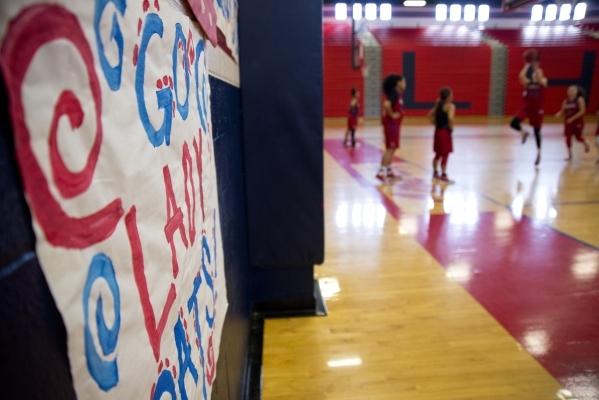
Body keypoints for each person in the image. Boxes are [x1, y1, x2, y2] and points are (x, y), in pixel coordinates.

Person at [509, 57, 548, 166]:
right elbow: (521, 77)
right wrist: (527, 65)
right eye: (535, 73)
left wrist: (536, 69)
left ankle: (539, 153)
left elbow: (541, 80)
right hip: (526, 107)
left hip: (537, 109)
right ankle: (524, 132)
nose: (536, 74)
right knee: (513, 123)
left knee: (537, 132)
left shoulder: (543, 82)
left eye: (539, 73)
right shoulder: (528, 84)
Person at [376, 74, 405, 183]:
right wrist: (392, 115)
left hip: (393, 125)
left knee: (392, 149)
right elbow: (387, 105)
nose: (405, 84)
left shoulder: (397, 94)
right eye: (404, 81)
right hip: (392, 125)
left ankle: (389, 172)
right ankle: (381, 173)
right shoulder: (394, 93)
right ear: (398, 83)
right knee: (390, 149)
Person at [427, 87, 455, 184]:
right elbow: (451, 118)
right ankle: (443, 175)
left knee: (438, 154)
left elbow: (429, 115)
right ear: (448, 96)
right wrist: (451, 128)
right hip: (445, 131)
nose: (453, 95)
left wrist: (435, 123)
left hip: (437, 131)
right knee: (445, 154)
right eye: (451, 94)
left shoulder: (438, 103)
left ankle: (435, 173)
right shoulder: (450, 106)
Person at [555, 85, 589, 161]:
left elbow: (582, 111)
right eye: (570, 90)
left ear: (577, 91)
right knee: (568, 137)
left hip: (578, 122)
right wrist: (559, 114)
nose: (571, 92)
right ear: (567, 92)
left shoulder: (579, 100)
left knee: (578, 138)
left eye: (573, 90)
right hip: (568, 123)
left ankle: (585, 142)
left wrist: (572, 118)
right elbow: (562, 110)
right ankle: (570, 153)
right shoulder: (566, 101)